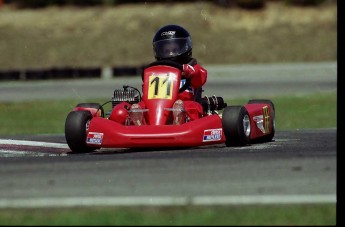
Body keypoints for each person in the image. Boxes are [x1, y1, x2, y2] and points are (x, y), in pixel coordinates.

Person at [110, 24, 208, 125]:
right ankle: (140, 122)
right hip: (154, 108)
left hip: (182, 105)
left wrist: (190, 71)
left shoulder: (192, 67)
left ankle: (179, 119)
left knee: (192, 107)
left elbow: (201, 77)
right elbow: (146, 93)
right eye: (166, 50)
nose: (170, 53)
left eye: (174, 50)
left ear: (185, 47)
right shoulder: (154, 70)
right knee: (133, 108)